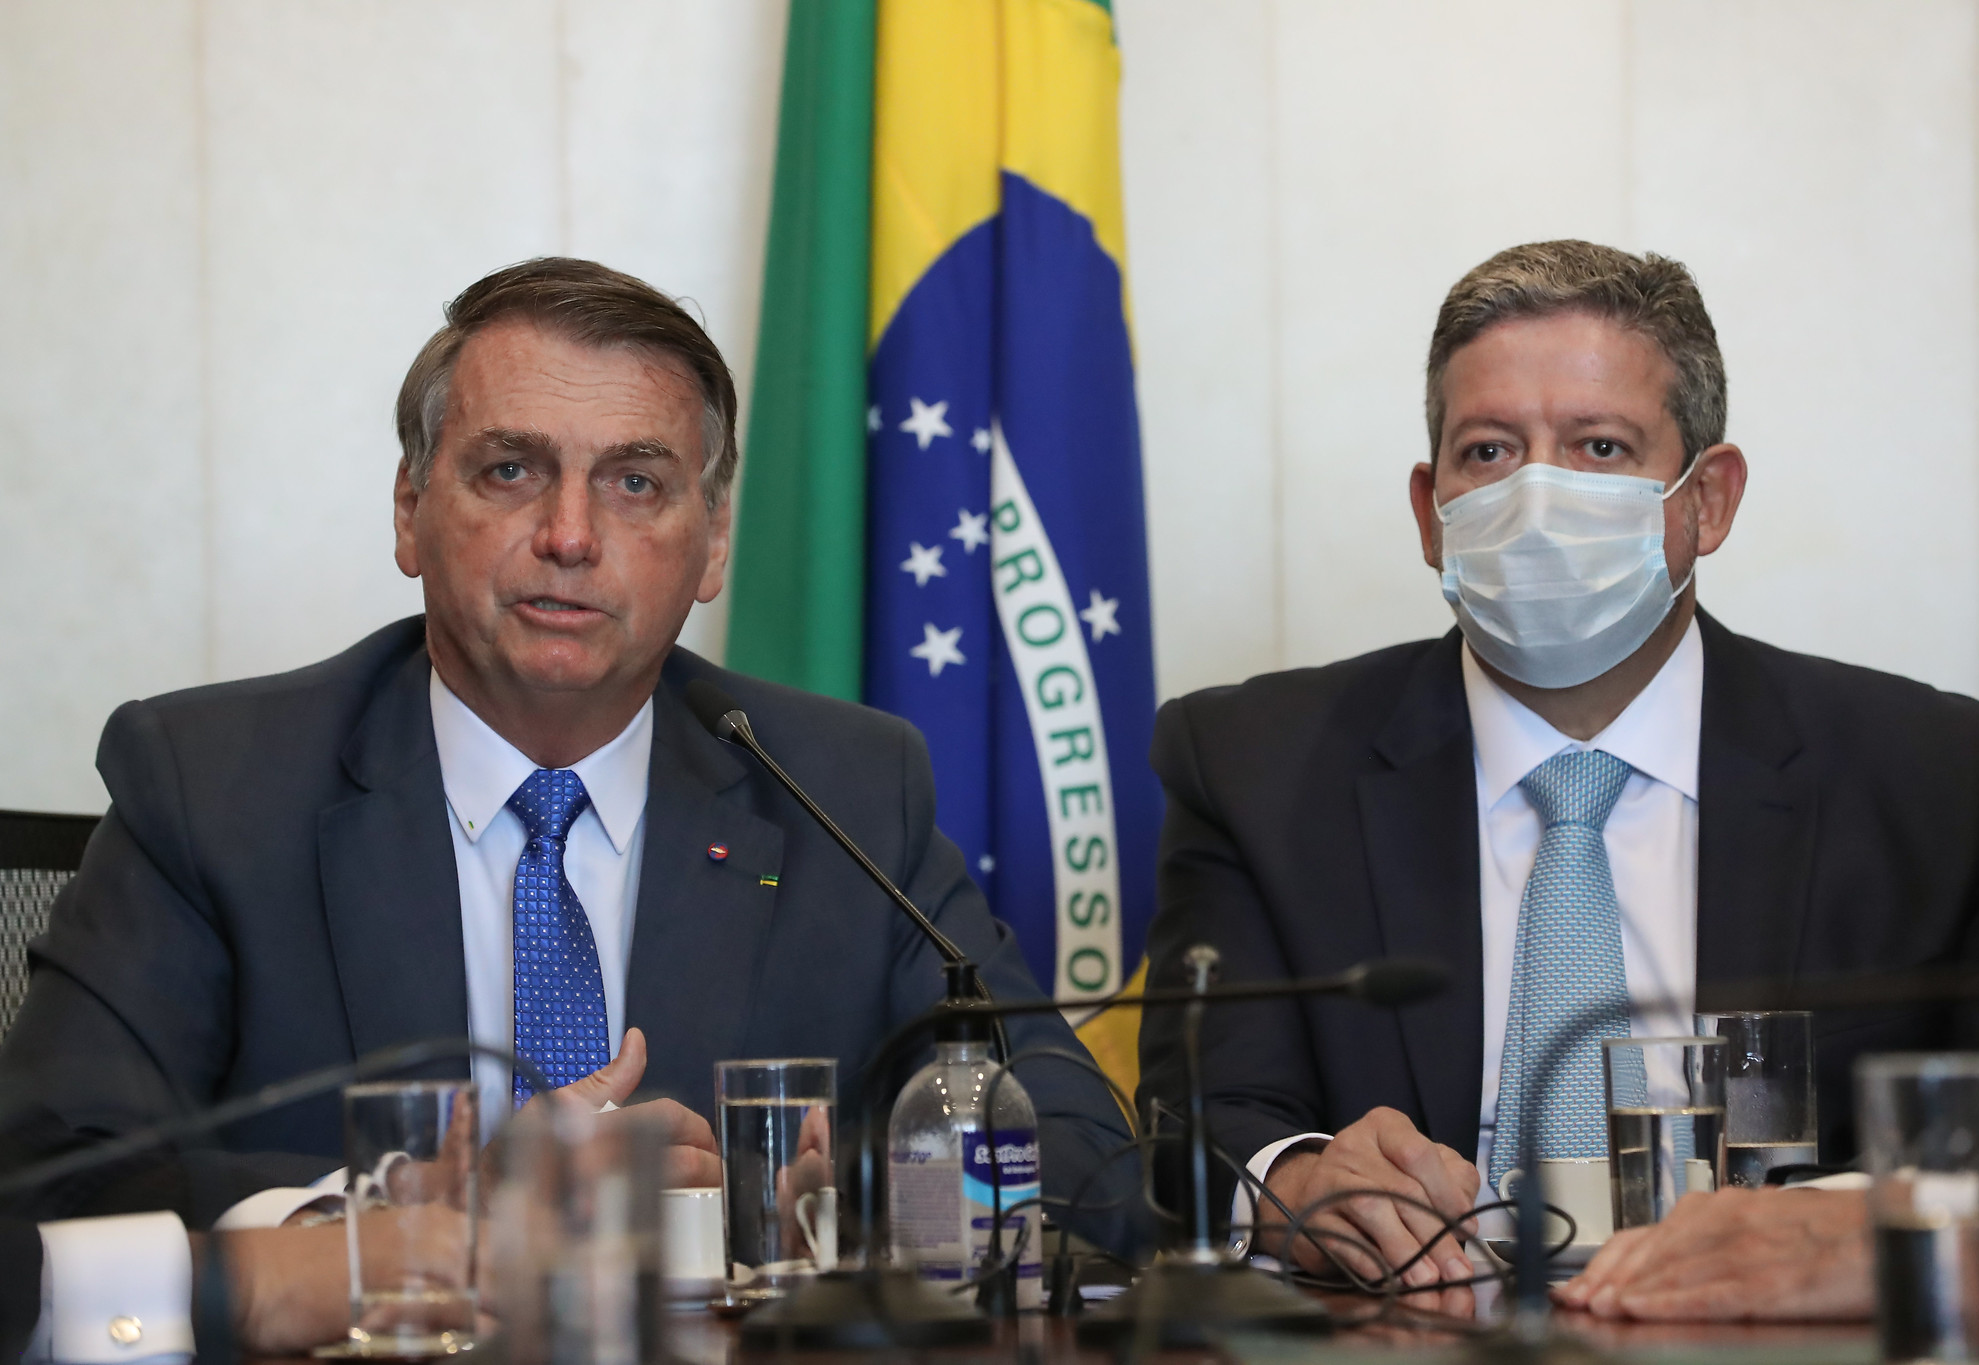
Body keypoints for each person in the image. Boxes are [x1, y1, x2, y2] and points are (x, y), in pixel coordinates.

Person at [0, 258, 1135, 1356]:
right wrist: (396, 1221)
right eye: (510, 471)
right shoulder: (211, 780)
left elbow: (1083, 1152)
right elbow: (53, 1173)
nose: (572, 536)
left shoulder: (845, 786)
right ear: (409, 509)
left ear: (713, 542)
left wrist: (846, 1201)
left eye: (635, 482)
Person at [1135, 240, 1979, 1316]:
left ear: (1706, 499)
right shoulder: (1253, 764)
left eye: (1598, 447)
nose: (1534, 498)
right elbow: (1201, 1113)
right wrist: (1293, 1182)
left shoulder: (1926, 780)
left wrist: (1862, 1222)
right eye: (1487, 452)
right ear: (1430, 512)